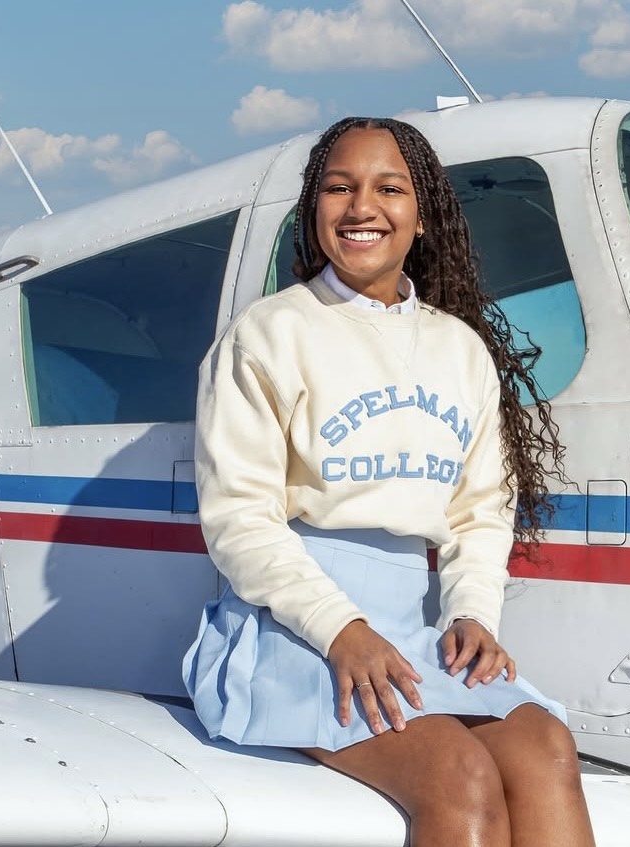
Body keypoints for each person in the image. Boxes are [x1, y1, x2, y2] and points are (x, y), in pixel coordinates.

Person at [184, 116, 596, 847]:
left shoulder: (459, 349)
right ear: (314, 209)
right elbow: (238, 520)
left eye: (389, 189)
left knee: (547, 748)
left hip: (412, 627)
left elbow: (479, 511)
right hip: (295, 628)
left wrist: (472, 614)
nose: (361, 207)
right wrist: (343, 630)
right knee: (461, 777)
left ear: (422, 213)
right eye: (338, 188)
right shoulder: (267, 334)